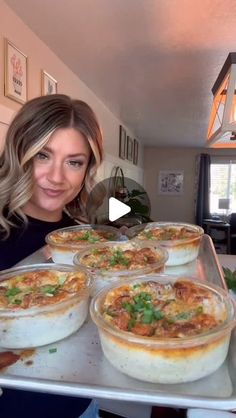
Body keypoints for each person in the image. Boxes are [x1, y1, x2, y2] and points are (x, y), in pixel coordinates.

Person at [0, 94, 103, 418]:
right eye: (43, 155)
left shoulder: (83, 238)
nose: (57, 177)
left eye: (74, 161)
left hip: (83, 405)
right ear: (20, 154)